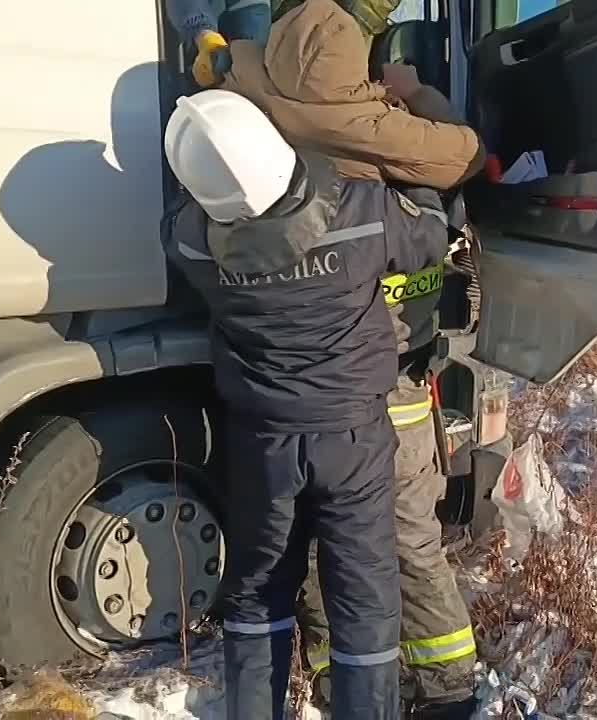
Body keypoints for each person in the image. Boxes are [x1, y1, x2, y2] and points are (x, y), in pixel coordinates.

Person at [209, 0, 487, 715]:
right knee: (397, 542)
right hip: (376, 368)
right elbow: (461, 154)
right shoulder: (380, 139)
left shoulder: (243, 85)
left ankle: (358, 681)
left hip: (313, 371)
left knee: (306, 558)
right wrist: (411, 89)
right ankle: (441, 688)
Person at [163, 89, 453, 719]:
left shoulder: (191, 243)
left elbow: (182, 223)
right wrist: (425, 187)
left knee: (258, 592)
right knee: (365, 597)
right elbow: (430, 236)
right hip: (352, 441)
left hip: (263, 442)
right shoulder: (365, 211)